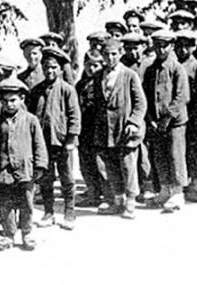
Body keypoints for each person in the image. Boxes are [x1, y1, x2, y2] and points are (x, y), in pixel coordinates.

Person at [90, 38, 147, 219]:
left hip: (124, 127)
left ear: (120, 54)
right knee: (110, 165)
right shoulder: (98, 76)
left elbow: (140, 103)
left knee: (128, 165)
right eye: (106, 54)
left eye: (114, 54)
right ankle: (117, 199)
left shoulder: (129, 75)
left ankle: (130, 201)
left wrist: (134, 122)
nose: (110, 58)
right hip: (106, 129)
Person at [0, 78, 47, 251]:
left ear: (22, 99)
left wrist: (40, 165)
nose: (9, 104)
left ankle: (27, 233)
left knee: (26, 203)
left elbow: (39, 144)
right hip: (4, 170)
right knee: (6, 204)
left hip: (25, 169)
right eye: (5, 101)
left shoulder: (31, 120)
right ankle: (8, 234)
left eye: (13, 100)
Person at [27, 46, 80, 230]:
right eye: (46, 67)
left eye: (54, 67)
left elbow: (74, 116)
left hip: (62, 142)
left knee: (67, 178)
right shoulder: (36, 91)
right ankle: (49, 212)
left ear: (60, 69)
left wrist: (71, 139)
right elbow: (31, 116)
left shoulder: (67, 90)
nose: (49, 71)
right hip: (43, 143)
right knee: (45, 179)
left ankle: (69, 212)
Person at [142, 30, 189, 212]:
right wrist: (150, 119)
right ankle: (164, 189)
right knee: (159, 156)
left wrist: (167, 117)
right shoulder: (150, 70)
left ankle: (177, 192)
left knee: (175, 156)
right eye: (158, 45)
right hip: (156, 123)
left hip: (174, 123)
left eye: (165, 46)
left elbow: (182, 96)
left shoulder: (177, 68)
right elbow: (146, 96)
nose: (161, 49)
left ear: (171, 46)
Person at [175, 30, 197, 202]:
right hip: (177, 116)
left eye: (186, 46)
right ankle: (180, 184)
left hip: (193, 115)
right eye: (179, 46)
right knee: (178, 150)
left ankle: (195, 183)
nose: (182, 50)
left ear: (193, 47)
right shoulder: (173, 65)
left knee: (194, 150)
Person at [75, 50, 107, 207]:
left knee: (101, 164)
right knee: (86, 163)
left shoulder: (104, 83)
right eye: (88, 65)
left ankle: (108, 196)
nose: (92, 69)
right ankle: (93, 193)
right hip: (85, 129)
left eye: (96, 65)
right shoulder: (81, 84)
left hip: (100, 128)